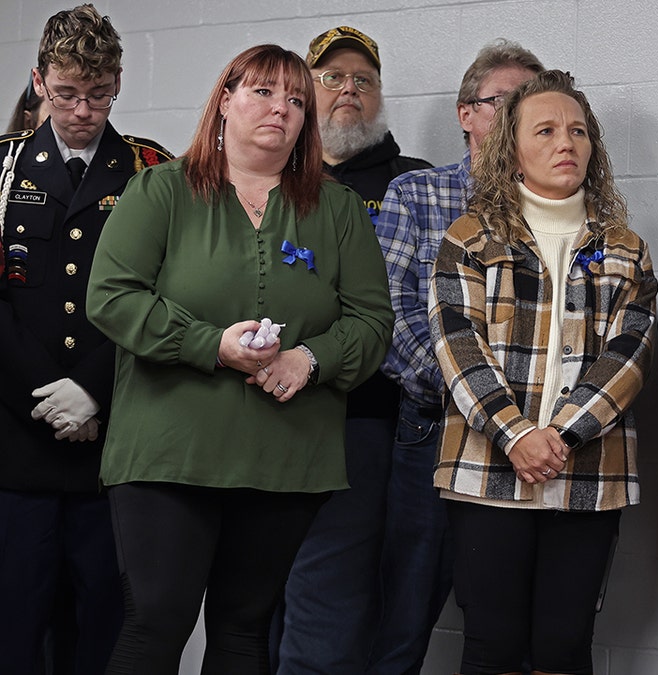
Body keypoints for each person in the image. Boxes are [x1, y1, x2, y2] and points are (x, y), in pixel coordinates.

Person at [85, 44, 392, 673]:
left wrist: (308, 359)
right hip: (169, 452)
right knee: (156, 624)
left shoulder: (336, 210)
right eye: (262, 92)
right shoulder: (160, 190)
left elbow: (372, 322)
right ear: (225, 101)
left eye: (296, 100)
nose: (281, 108)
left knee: (244, 631)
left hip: (285, 455)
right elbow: (112, 299)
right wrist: (212, 346)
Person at [428, 69, 657, 675]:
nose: (567, 143)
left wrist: (561, 435)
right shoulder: (469, 238)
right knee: (492, 646)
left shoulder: (625, 248)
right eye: (547, 130)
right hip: (487, 470)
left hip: (588, 471)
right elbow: (458, 348)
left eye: (579, 131)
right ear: (513, 147)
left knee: (563, 647)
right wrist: (517, 434)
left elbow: (630, 354)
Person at [0, 6, 172, 673]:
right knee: (16, 625)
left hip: (114, 443)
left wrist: (93, 389)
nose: (82, 111)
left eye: (98, 95)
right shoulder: (6, 171)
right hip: (18, 442)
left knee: (103, 625)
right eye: (68, 93)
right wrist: (46, 396)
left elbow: (164, 297)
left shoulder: (152, 172)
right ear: (40, 81)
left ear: (119, 83)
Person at [370, 38, 542, 675]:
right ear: (466, 113)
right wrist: (477, 398)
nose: (521, 117)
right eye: (506, 103)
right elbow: (390, 314)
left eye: (533, 104)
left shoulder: (555, 208)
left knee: (508, 624)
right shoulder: (417, 194)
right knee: (405, 615)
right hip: (434, 427)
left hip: (531, 440)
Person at [273, 26, 432, 674]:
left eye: (363, 80)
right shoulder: (275, 180)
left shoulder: (413, 184)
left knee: (379, 603)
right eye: (332, 78)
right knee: (281, 597)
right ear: (308, 93)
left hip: (381, 423)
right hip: (279, 418)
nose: (348, 90)